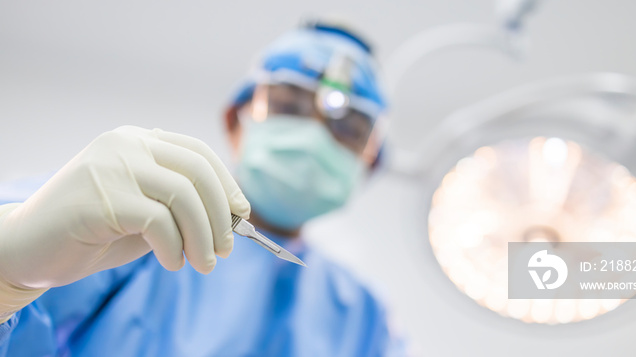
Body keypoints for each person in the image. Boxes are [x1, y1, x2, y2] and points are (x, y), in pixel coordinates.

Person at [0, 20, 405, 356]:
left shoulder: (364, 320)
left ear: (369, 164)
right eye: (288, 106)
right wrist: (8, 270)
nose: (315, 136)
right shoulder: (126, 216)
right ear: (235, 121)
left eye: (349, 129)